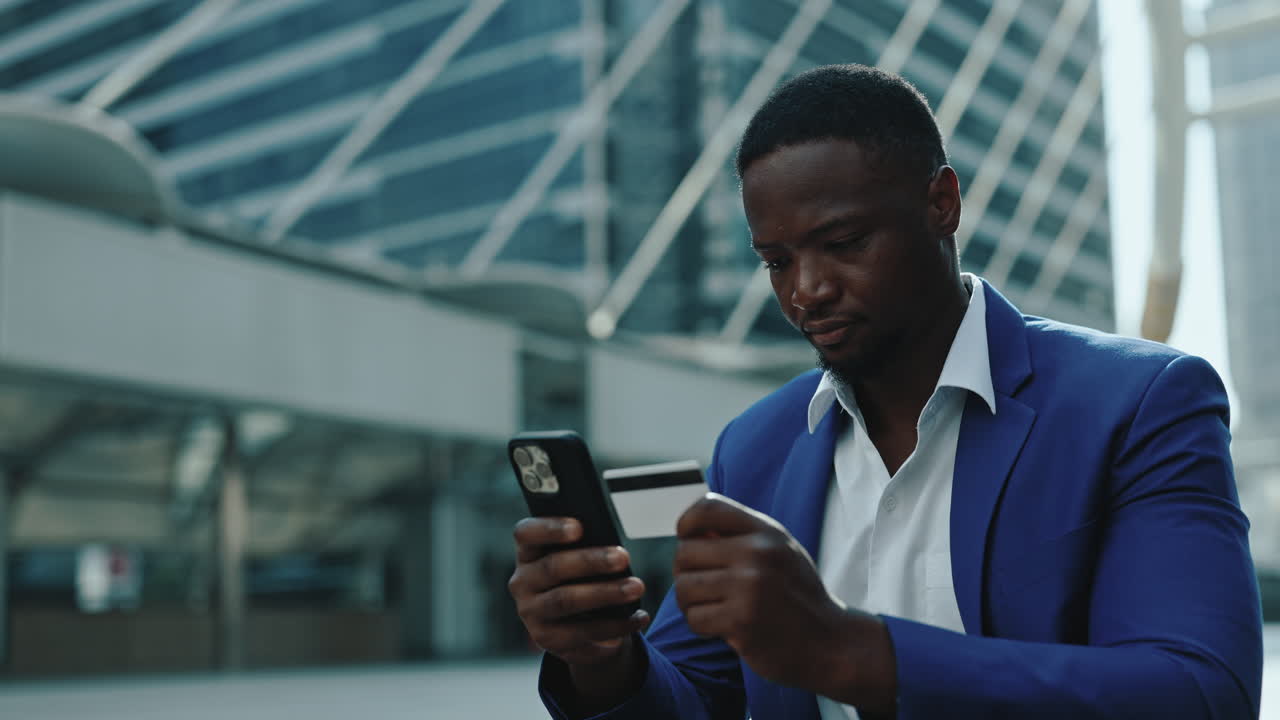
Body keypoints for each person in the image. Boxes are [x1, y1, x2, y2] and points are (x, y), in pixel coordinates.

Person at [506, 64, 1262, 719]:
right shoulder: (758, 448)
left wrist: (849, 652)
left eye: (843, 244)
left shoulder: (1140, 403)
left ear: (942, 205)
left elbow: (1199, 693)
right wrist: (602, 660)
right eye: (776, 260)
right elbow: (694, 701)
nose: (807, 290)